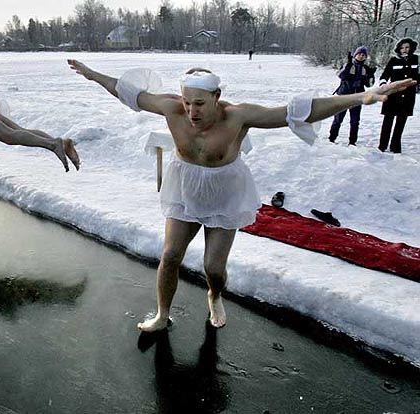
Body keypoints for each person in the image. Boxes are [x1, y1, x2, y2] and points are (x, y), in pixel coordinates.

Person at [67, 58, 415, 332]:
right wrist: (93, 74)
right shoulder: (172, 108)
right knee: (170, 254)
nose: (192, 112)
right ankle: (162, 313)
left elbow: (297, 112)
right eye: (187, 103)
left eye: (200, 104)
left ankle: (214, 294)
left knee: (213, 267)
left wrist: (360, 97)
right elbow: (129, 93)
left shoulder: (237, 117)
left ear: (217, 97)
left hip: (224, 193)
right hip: (185, 190)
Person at [378, 38, 419, 153]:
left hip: (408, 96)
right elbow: (384, 76)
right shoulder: (393, 60)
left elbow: (418, 76)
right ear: (399, 49)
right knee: (388, 121)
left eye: (407, 47)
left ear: (411, 48)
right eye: (402, 48)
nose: (404, 50)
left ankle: (395, 146)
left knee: (401, 122)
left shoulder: (416, 59)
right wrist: (383, 85)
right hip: (393, 95)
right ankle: (382, 146)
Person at [328, 46, 376, 145]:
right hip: (344, 97)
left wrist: (371, 75)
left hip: (357, 98)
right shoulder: (348, 65)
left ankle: (352, 142)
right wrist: (347, 66)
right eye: (359, 54)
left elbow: (369, 85)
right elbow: (340, 76)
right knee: (338, 119)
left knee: (355, 121)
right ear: (355, 55)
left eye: (363, 55)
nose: (361, 56)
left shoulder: (365, 69)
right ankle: (331, 139)